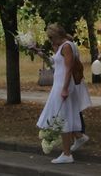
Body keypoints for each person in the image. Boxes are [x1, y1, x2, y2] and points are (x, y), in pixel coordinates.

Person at [37, 24, 92, 164]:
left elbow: (68, 69)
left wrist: (65, 88)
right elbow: (55, 64)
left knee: (62, 117)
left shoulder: (67, 46)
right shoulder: (63, 46)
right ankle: (78, 137)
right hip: (60, 84)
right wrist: (41, 54)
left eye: (51, 38)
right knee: (64, 115)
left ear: (56, 36)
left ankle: (67, 154)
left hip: (63, 85)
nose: (50, 41)